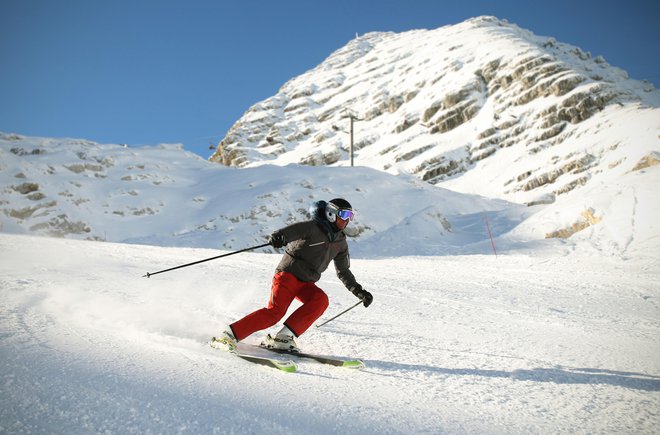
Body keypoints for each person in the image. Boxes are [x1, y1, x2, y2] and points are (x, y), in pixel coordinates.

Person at [214, 198, 373, 352]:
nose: (347, 220)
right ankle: (229, 334)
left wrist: (358, 291)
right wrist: (279, 237)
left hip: (306, 282)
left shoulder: (341, 243)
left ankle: (284, 337)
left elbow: (343, 271)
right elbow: (290, 232)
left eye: (350, 216)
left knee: (320, 300)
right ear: (332, 213)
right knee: (275, 312)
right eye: (344, 215)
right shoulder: (312, 227)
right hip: (288, 275)